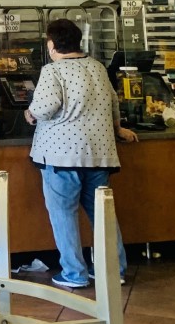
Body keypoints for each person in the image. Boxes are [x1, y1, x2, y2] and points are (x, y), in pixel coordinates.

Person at [26, 18, 138, 290]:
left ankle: (74, 273)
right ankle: (113, 270)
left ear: (52, 45)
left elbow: (45, 108)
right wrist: (118, 129)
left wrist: (29, 113)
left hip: (61, 157)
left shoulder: (53, 71)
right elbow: (113, 103)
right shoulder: (97, 67)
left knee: (64, 214)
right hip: (98, 154)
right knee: (102, 214)